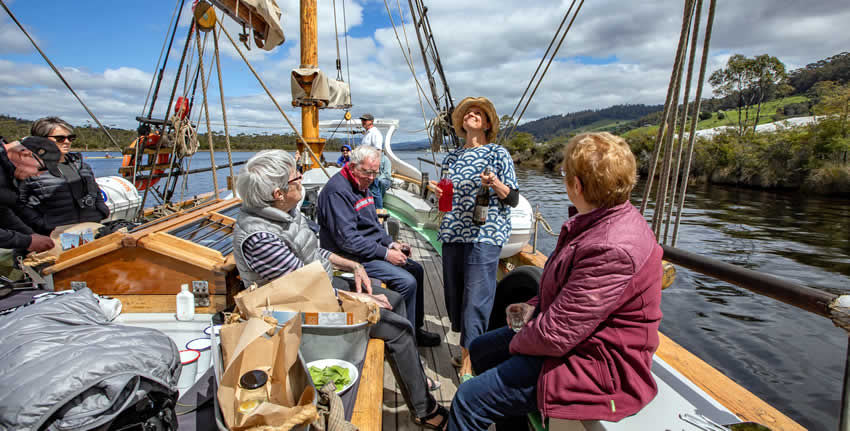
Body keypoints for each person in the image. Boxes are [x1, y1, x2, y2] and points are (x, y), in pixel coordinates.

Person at [446, 132, 664, 431]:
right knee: (483, 349)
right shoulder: (596, 223)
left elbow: (555, 335)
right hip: (578, 341)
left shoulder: (612, 247)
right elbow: (567, 295)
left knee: (468, 399)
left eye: (565, 175)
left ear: (576, 185)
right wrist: (534, 306)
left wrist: (518, 341)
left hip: (599, 365)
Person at [231, 150, 448, 430]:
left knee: (394, 297)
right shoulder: (261, 237)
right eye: (297, 177)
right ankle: (424, 408)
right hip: (296, 316)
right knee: (399, 329)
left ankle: (411, 371)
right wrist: (362, 299)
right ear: (278, 192)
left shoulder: (283, 213)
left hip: (318, 289)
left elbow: (313, 253)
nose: (300, 180)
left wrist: (353, 266)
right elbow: (304, 289)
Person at [429, 97, 519, 380]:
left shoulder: (498, 154)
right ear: (461, 123)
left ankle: (469, 364)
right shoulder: (451, 158)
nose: (472, 114)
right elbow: (445, 201)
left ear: (488, 123)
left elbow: (513, 198)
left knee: (475, 300)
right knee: (456, 297)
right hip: (454, 231)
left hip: (486, 233)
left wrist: (494, 183)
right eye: (468, 111)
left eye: (479, 113)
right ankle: (469, 348)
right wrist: (437, 193)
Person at [317, 145, 441, 347]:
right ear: (353, 166)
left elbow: (373, 225)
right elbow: (347, 240)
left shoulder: (362, 184)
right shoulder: (337, 192)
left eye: (375, 172)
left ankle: (415, 329)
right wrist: (385, 254)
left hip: (367, 249)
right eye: (368, 172)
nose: (372, 178)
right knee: (406, 282)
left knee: (416, 269)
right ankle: (404, 337)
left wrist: (392, 244)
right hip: (348, 256)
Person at [17, 117, 109, 235]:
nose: (67, 142)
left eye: (71, 138)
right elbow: (18, 205)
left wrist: (102, 211)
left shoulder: (82, 166)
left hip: (89, 231)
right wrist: (43, 224)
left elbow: (96, 192)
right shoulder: (27, 169)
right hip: (53, 237)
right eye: (60, 139)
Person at [0, 137, 57, 252]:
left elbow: (2, 210)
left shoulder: (7, 171)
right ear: (25, 154)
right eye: (41, 168)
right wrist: (26, 241)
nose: (37, 175)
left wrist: (31, 235)